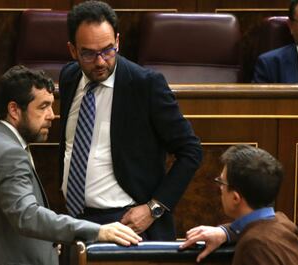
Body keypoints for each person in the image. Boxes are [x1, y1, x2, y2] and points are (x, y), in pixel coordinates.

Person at [0, 65, 141, 265]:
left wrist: (44, 244)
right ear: (14, 110)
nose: (52, 115)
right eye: (43, 107)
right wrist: (97, 230)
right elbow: (26, 215)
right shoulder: (10, 153)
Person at [59, 0, 202, 240]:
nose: (101, 61)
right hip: (74, 220)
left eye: (107, 50)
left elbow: (191, 151)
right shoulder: (69, 77)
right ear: (73, 51)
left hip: (126, 223)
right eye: (89, 54)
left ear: (117, 41)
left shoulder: (145, 85)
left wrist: (154, 208)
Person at [180, 145, 298, 265]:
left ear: (235, 198)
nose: (220, 189)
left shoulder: (255, 247)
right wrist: (225, 233)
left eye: (222, 182)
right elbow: (255, 224)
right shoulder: (283, 223)